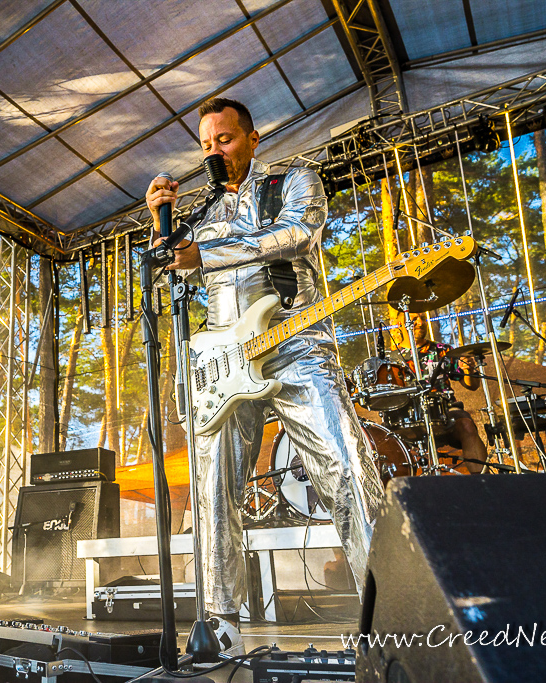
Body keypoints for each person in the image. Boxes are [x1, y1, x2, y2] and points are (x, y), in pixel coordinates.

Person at [145, 98, 384, 643]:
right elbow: (168, 277)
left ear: (253, 139)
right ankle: (220, 620)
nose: (215, 151)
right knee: (213, 489)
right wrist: (162, 224)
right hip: (223, 363)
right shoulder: (199, 217)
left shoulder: (292, 181)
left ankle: (386, 610)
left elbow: (297, 234)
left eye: (225, 139)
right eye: (206, 144)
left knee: (344, 467)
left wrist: (205, 254)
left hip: (295, 343)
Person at [401, 312, 489, 473]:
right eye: (414, 319)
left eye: (423, 318)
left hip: (446, 410)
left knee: (466, 424)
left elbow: (472, 385)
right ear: (400, 323)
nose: (420, 322)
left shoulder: (443, 350)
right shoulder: (391, 358)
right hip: (408, 416)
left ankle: (483, 481)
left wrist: (468, 369)